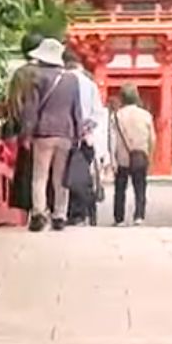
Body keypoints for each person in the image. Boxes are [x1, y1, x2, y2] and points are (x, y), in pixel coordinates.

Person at [18, 37, 85, 231]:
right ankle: (60, 214)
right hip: (66, 132)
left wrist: (26, 135)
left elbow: (31, 109)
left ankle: (39, 213)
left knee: (40, 176)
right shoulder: (72, 79)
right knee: (60, 177)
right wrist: (78, 134)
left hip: (43, 131)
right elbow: (76, 110)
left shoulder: (37, 77)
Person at [2, 33, 47, 220]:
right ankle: (47, 209)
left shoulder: (21, 74)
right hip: (46, 128)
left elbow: (13, 103)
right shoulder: (48, 72)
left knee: (28, 171)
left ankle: (30, 211)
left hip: (25, 129)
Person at [67, 58, 107, 226]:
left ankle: (63, 210)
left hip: (62, 134)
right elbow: (97, 113)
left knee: (60, 174)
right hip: (84, 137)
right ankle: (80, 212)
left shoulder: (60, 80)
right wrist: (85, 129)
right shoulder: (89, 85)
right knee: (81, 175)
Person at [109, 84, 154, 225]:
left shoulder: (116, 116)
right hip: (140, 155)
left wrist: (112, 159)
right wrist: (150, 155)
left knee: (120, 189)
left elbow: (112, 139)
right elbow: (152, 138)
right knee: (140, 187)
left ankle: (119, 218)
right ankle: (139, 216)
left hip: (122, 156)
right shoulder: (145, 115)